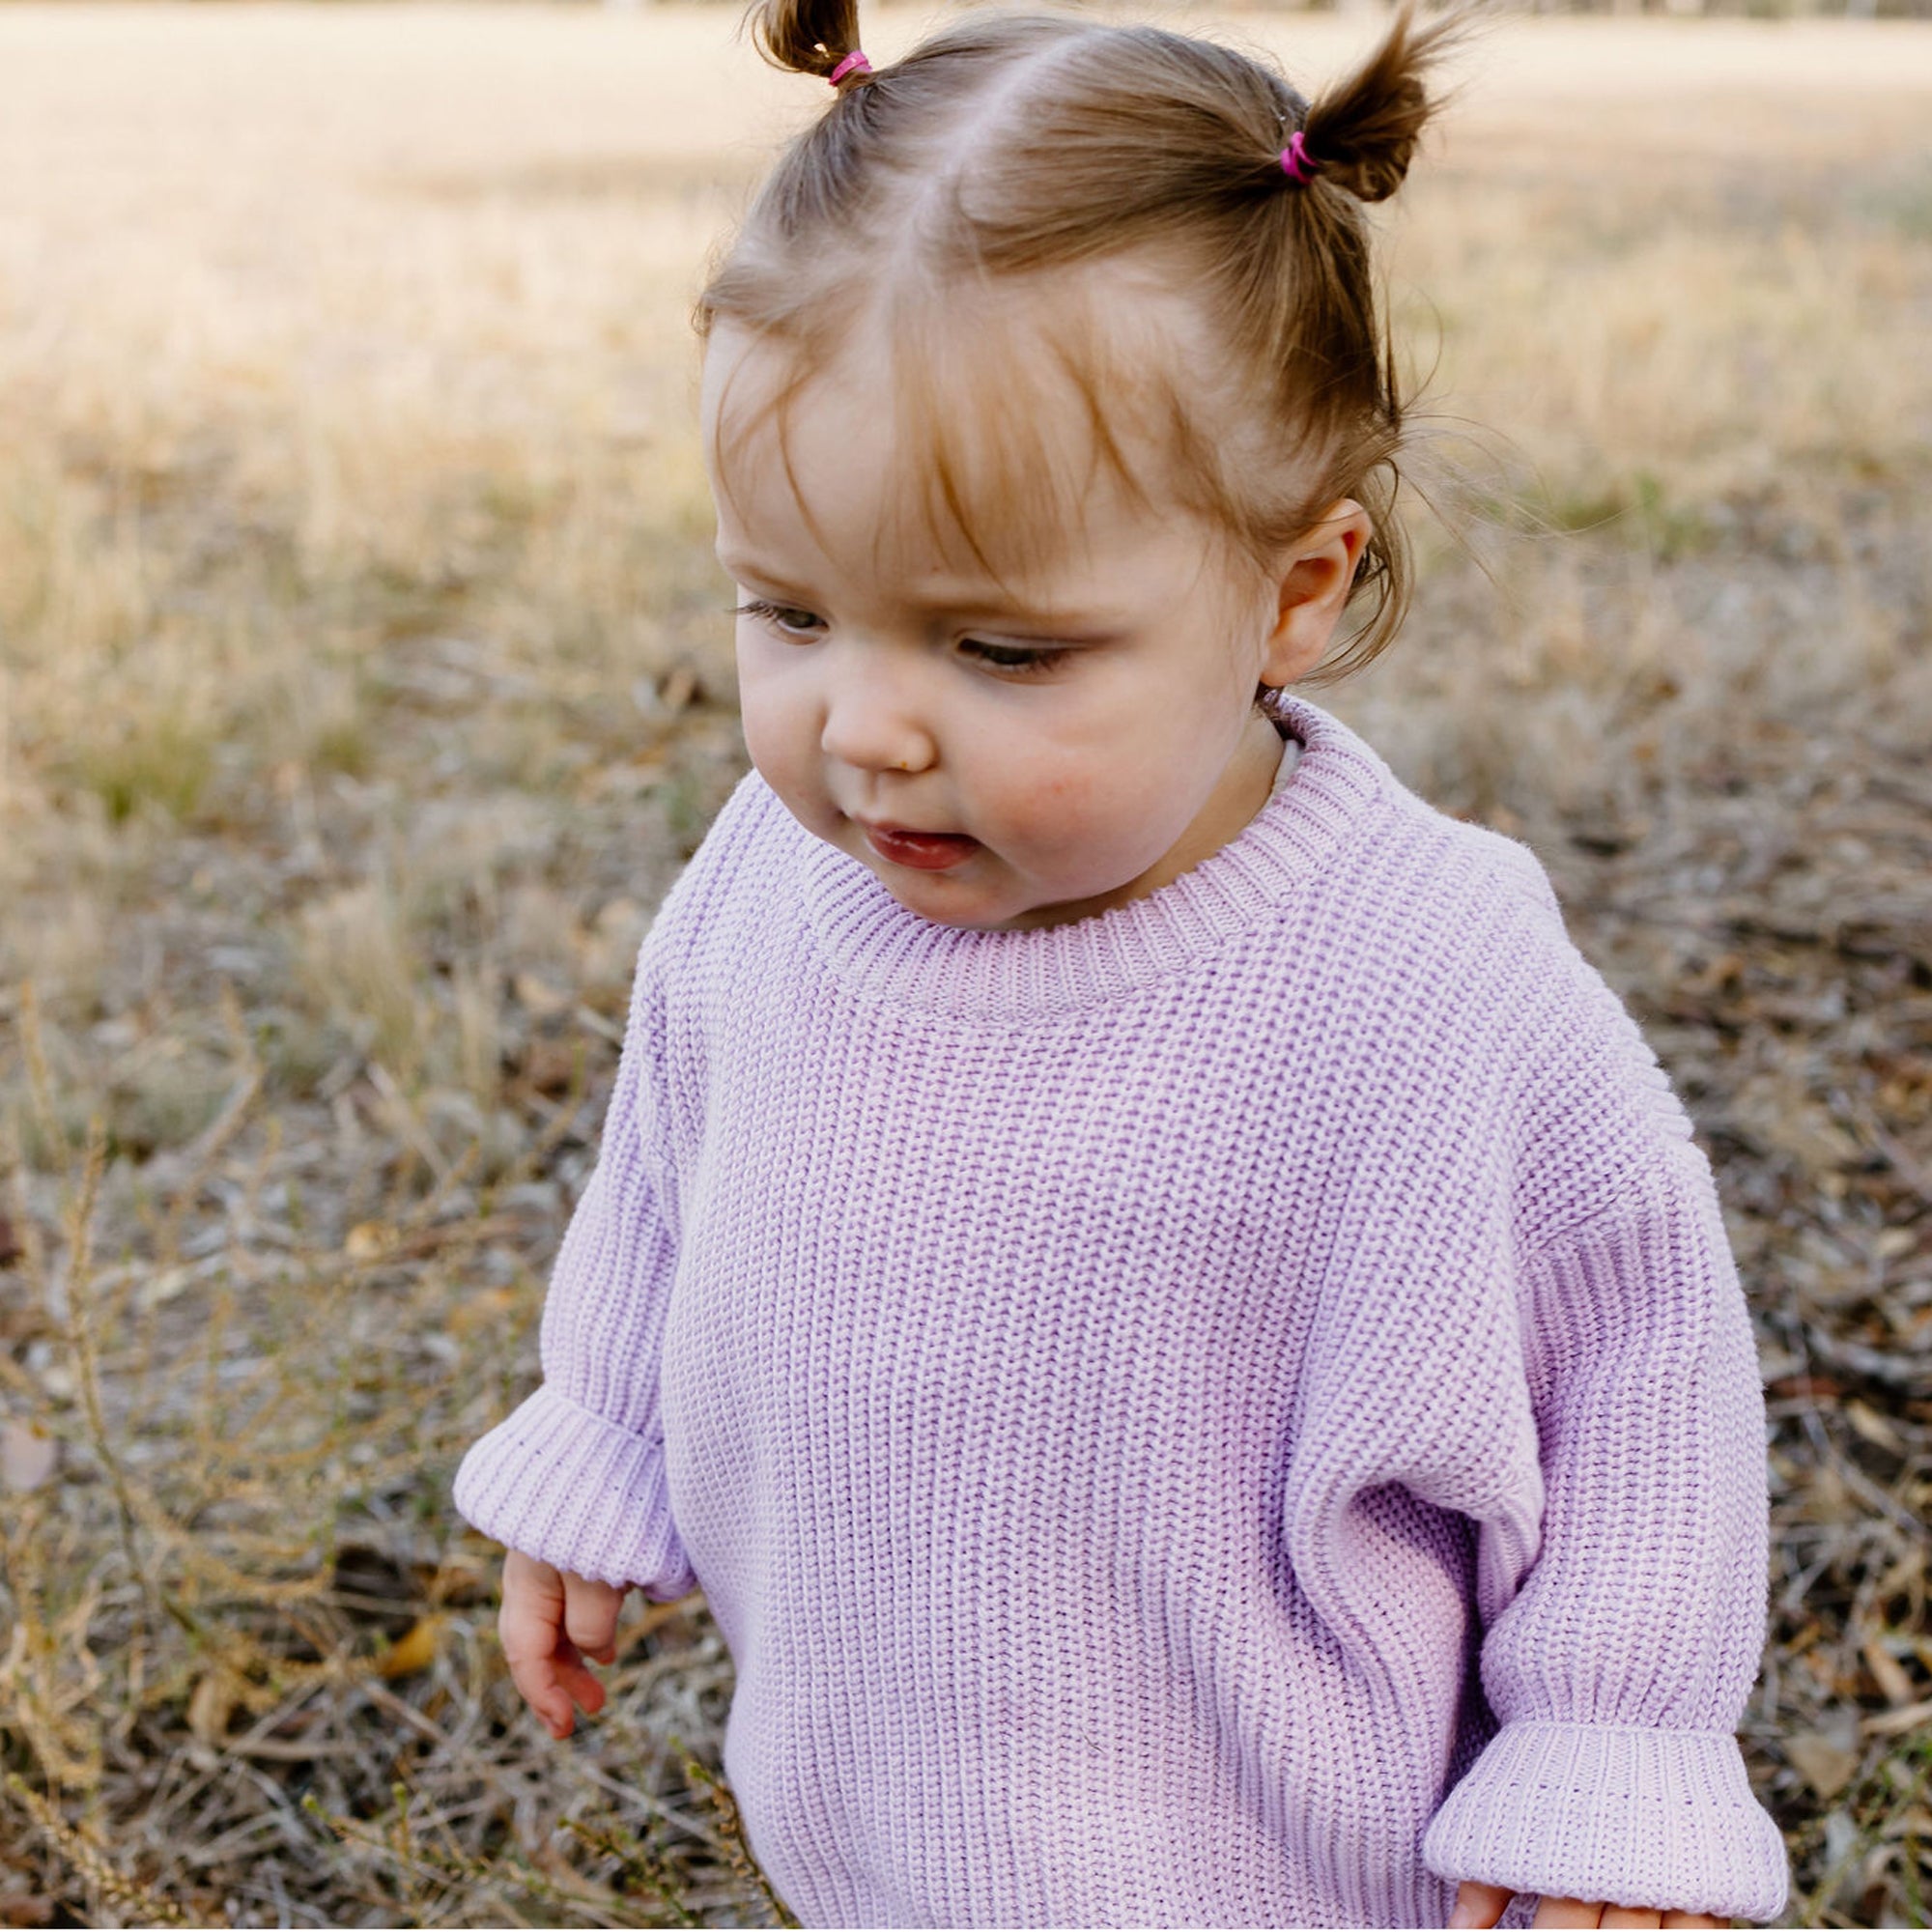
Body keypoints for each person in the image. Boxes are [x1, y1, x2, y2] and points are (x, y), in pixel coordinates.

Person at [452, 2, 1793, 1924]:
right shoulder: (771, 875)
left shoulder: (1418, 971)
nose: (866, 730)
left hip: (1275, 1866)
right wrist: (604, 1429)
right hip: (879, 1829)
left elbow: (1635, 1358)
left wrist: (1615, 1740)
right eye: (790, 612)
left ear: (1292, 590)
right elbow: (670, 1159)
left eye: (1001, 650)